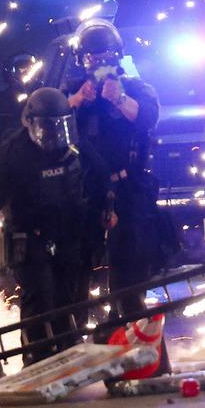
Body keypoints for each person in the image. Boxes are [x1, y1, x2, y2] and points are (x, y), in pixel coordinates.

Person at [0, 88, 116, 363]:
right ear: (30, 122)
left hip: (71, 236)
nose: (55, 135)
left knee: (70, 302)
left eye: (60, 126)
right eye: (48, 127)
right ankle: (35, 360)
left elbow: (101, 175)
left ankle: (70, 356)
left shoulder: (76, 145)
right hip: (30, 239)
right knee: (38, 305)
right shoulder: (10, 154)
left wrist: (108, 207)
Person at [61, 20, 165, 341]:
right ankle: (75, 341)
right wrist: (76, 101)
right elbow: (46, 119)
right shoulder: (71, 90)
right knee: (76, 270)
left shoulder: (135, 87)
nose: (98, 64)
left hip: (128, 188)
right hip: (85, 190)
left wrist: (118, 98)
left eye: (104, 57)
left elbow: (148, 118)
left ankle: (129, 337)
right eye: (92, 58)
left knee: (130, 271)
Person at [0, 52, 41, 155]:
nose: (26, 74)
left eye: (29, 69)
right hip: (6, 159)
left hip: (39, 157)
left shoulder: (44, 98)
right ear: (10, 74)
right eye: (21, 70)